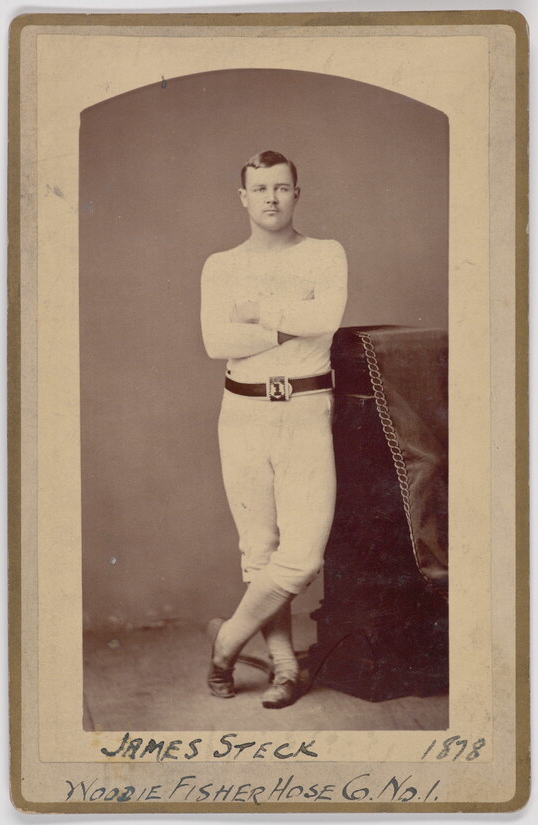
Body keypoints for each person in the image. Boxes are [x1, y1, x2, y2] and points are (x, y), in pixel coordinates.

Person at [200, 150, 348, 708]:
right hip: (241, 413)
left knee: (302, 554)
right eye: (259, 189)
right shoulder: (221, 264)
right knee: (259, 550)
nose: (270, 198)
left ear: (296, 194)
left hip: (307, 409)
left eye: (281, 188)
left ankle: (226, 643)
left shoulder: (326, 254)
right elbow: (218, 343)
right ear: (243, 197)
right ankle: (285, 667)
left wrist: (254, 312)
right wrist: (290, 315)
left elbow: (325, 320)